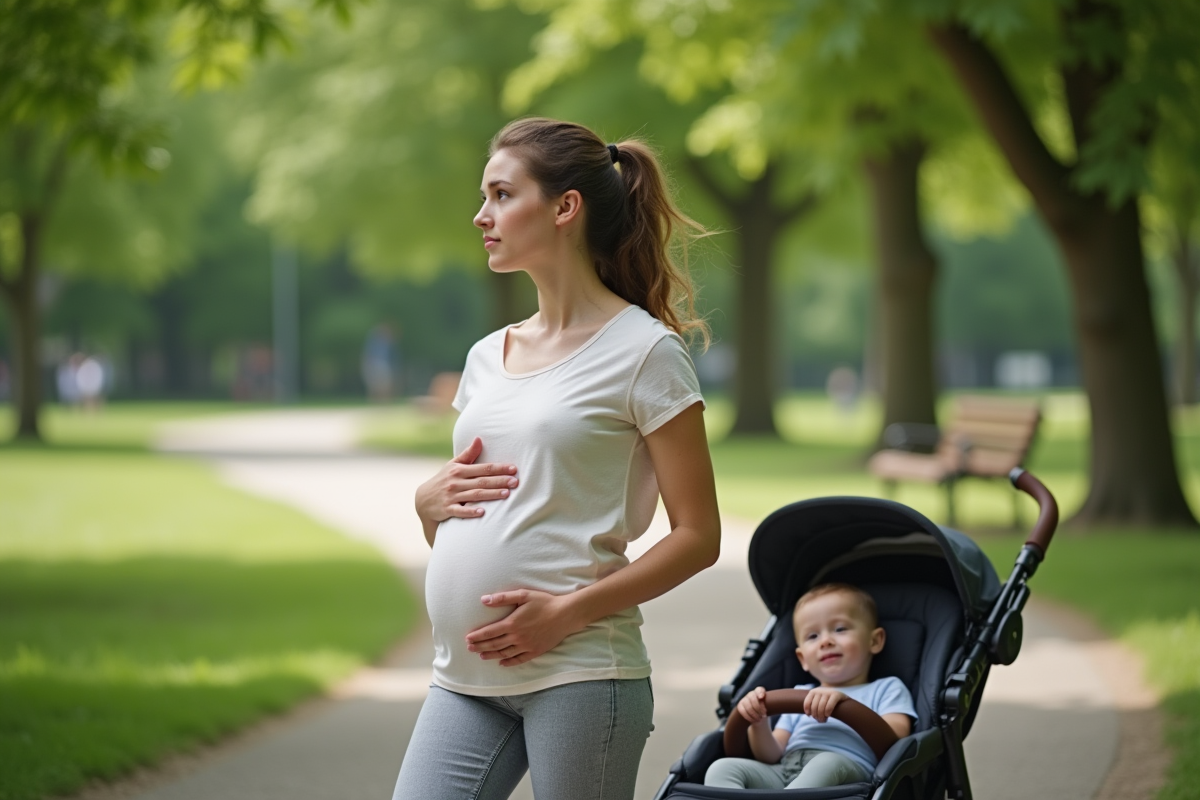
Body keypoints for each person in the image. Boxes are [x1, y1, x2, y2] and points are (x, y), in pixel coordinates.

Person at [392, 118, 721, 800]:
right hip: (464, 680)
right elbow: (491, 514)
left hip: (581, 673)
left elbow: (699, 536)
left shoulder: (646, 352)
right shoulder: (487, 356)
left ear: (565, 207)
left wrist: (567, 614)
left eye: (502, 195)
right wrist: (427, 507)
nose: (481, 216)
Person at [705, 583, 916, 790]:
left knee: (827, 764)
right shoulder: (798, 695)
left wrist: (845, 704)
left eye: (840, 629)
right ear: (803, 658)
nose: (825, 641)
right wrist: (759, 724)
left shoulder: (887, 688)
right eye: (813, 636)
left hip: (846, 773)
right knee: (722, 768)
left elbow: (896, 741)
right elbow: (772, 754)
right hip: (786, 771)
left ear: (875, 641)